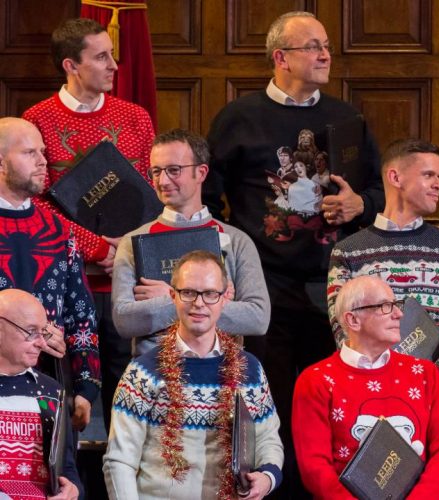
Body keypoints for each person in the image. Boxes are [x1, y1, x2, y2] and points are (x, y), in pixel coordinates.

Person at [204, 11, 384, 497]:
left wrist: (361, 205)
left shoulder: (347, 119)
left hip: (335, 291)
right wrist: (230, 261)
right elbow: (208, 199)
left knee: (331, 412)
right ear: (281, 57)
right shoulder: (239, 118)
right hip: (265, 291)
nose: (325, 55)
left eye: (326, 46)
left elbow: (378, 191)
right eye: (313, 47)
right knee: (273, 409)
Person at [22, 18, 155, 431]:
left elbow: (150, 196)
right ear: (71, 65)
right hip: (65, 280)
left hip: (126, 281)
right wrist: (97, 247)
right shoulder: (38, 119)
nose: (114, 65)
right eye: (101, 57)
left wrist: (126, 251)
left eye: (112, 55)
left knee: (127, 388)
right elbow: (36, 203)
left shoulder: (135, 118)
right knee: (65, 391)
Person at [103, 251, 283, 499]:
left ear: (224, 298)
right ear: (172, 296)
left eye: (210, 294)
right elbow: (120, 461)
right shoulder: (143, 373)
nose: (199, 303)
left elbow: (268, 440)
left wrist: (267, 477)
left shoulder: (249, 369)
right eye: (188, 292)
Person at [328, 138, 439, 387]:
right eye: (429, 175)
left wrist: (433, 381)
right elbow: (343, 328)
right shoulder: (347, 252)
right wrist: (383, 383)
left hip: (436, 393)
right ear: (395, 178)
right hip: (370, 391)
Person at [293, 275, 439, 499]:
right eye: (384, 306)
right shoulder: (316, 380)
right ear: (353, 320)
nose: (399, 314)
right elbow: (315, 468)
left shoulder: (425, 374)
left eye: (396, 304)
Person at [112, 129, 270, 357]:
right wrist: (213, 300)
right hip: (153, 369)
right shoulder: (132, 242)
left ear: (201, 172)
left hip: (223, 370)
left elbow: (257, 318)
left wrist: (171, 297)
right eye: (156, 171)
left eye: (173, 170)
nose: (162, 181)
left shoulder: (237, 241)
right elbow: (124, 321)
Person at [0, 117, 99, 431]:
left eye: (42, 152)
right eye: (30, 152)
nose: (43, 161)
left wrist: (85, 387)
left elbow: (80, 314)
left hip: (49, 386)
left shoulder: (58, 230)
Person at [0, 288, 81, 500]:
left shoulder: (51, 391)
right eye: (31, 331)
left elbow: (66, 468)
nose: (42, 343)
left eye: (43, 332)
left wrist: (72, 490)